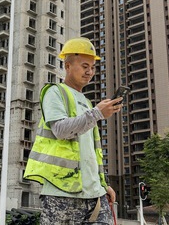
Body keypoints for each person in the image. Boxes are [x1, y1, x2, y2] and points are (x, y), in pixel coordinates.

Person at [24, 37, 123, 224]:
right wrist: (97, 114)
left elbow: (91, 153)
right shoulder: (55, 92)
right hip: (61, 193)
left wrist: (103, 185)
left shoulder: (87, 102)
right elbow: (60, 130)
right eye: (85, 66)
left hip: (95, 195)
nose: (90, 72)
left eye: (92, 67)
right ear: (67, 66)